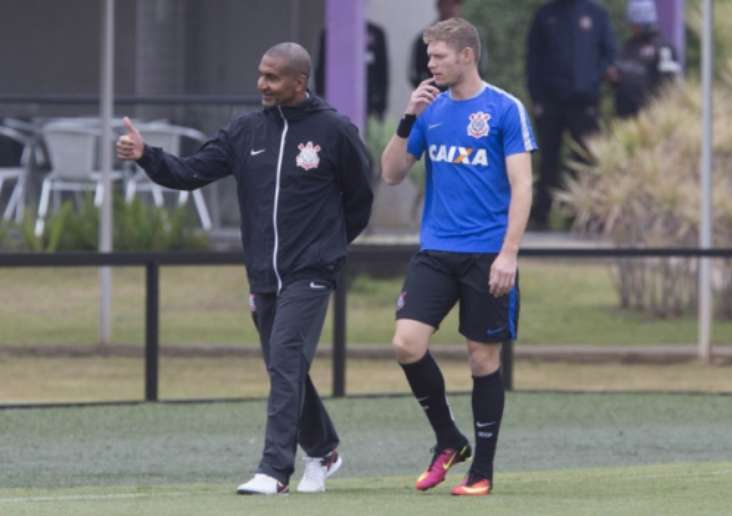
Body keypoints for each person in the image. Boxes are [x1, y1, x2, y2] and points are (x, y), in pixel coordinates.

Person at [116, 42, 374, 496]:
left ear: (299, 81)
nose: (263, 84)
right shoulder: (244, 130)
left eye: (273, 77)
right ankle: (325, 450)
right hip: (263, 274)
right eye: (261, 74)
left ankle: (274, 471)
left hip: (312, 269)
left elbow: (360, 199)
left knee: (287, 359)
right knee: (283, 365)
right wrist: (145, 155)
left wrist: (329, 246)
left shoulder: (333, 130)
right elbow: (189, 172)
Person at [381, 17, 536, 496]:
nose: (430, 65)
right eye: (429, 57)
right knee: (406, 343)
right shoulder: (430, 110)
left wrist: (508, 255)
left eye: (438, 57)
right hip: (436, 252)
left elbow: (523, 186)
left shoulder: (504, 109)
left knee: (482, 359)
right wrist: (408, 116)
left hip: (487, 254)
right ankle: (449, 439)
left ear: (467, 55)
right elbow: (390, 174)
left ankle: (482, 472)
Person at [526, 0, 616, 230]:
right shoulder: (545, 15)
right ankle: (541, 215)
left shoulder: (596, 14)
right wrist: (536, 98)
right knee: (549, 160)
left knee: (586, 159)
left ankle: (582, 217)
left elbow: (609, 55)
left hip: (585, 102)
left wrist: (594, 80)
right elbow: (533, 60)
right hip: (551, 102)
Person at [613, 0, 681, 118]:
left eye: (635, 24)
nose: (632, 28)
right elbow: (619, 76)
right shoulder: (628, 46)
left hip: (651, 117)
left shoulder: (664, 48)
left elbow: (669, 84)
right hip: (626, 116)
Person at [315, 21, 389, 120]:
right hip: (336, 98)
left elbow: (382, 71)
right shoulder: (331, 33)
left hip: (368, 101)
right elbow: (321, 68)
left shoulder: (374, 33)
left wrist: (381, 105)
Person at [408, 0, 463, 88]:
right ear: (439, 6)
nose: (451, 8)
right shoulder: (425, 39)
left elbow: (480, 70)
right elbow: (415, 73)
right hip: (435, 96)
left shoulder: (470, 38)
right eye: (447, 4)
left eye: (455, 4)